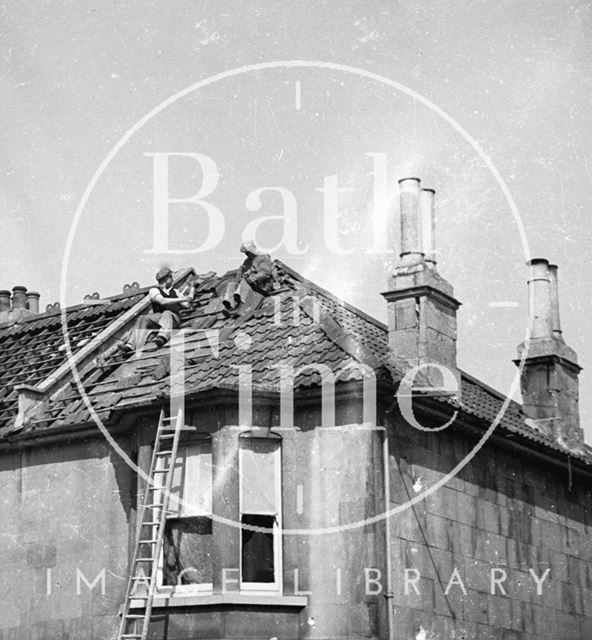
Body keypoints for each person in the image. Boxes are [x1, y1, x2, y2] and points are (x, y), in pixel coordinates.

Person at [118, 267, 194, 354]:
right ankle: (131, 345)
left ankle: (162, 337)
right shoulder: (154, 291)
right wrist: (182, 299)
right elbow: (162, 301)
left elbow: (187, 305)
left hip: (174, 319)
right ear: (165, 279)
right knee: (143, 318)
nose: (172, 279)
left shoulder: (175, 292)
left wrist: (192, 290)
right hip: (159, 319)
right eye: (170, 277)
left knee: (167, 313)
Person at [223, 240, 274, 311]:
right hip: (250, 286)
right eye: (245, 253)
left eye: (247, 252)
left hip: (264, 285)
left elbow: (266, 273)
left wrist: (254, 278)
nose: (246, 254)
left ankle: (241, 301)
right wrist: (244, 276)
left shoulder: (263, 257)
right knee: (231, 285)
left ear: (252, 250)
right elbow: (241, 276)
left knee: (245, 281)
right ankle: (231, 306)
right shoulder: (246, 262)